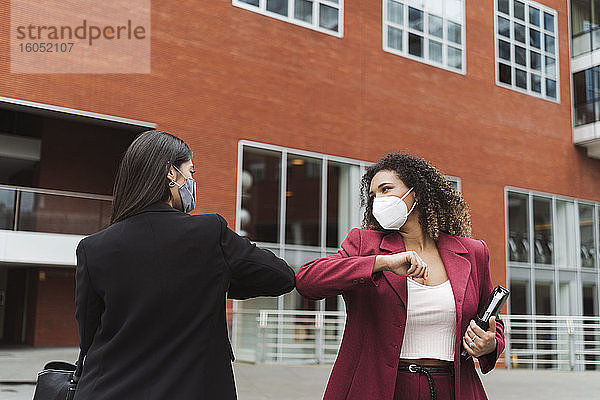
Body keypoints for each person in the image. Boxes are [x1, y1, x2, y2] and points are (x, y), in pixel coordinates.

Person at [73, 130, 295, 400]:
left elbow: (88, 337)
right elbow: (280, 276)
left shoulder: (93, 248)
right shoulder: (209, 232)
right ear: (171, 173)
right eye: (190, 171)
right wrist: (213, 282)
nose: (192, 180)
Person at [296, 152, 504, 400]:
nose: (378, 201)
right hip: (383, 387)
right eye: (373, 196)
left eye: (386, 189)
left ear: (416, 192)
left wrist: (489, 344)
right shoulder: (364, 244)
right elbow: (306, 280)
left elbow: (492, 322)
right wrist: (381, 263)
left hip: (454, 387)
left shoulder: (472, 252)